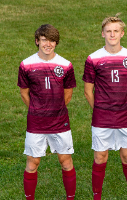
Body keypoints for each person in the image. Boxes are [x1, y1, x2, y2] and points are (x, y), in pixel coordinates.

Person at [83, 14, 127, 200]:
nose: (112, 34)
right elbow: (88, 91)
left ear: (122, 33)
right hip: (102, 118)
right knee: (100, 157)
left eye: (116, 31)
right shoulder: (93, 59)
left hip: (125, 117)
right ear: (102, 34)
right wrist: (100, 110)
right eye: (108, 31)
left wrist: (125, 108)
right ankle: (97, 197)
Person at [18, 24, 77, 200]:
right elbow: (24, 92)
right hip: (36, 122)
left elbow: (68, 93)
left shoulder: (65, 65)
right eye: (44, 40)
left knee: (66, 162)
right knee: (32, 163)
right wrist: (37, 108)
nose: (48, 44)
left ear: (56, 43)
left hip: (60, 122)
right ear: (37, 41)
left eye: (51, 40)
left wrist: (54, 108)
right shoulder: (26, 64)